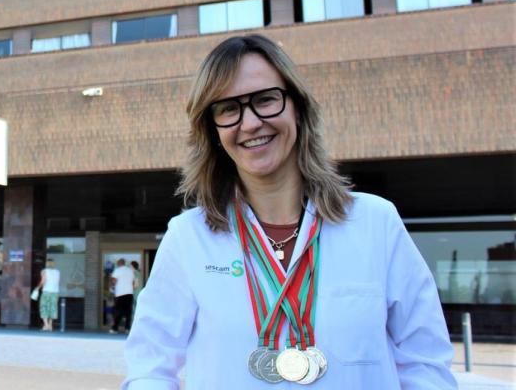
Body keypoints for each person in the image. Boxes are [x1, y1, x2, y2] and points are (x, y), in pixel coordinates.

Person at [123, 34, 455, 388]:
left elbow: (426, 362)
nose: (250, 123)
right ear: (213, 130)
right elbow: (149, 368)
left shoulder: (376, 223)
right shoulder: (188, 237)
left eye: (265, 99)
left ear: (297, 107)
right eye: (228, 109)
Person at [110, 258, 136, 334]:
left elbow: (114, 281)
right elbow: (133, 283)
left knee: (118, 312)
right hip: (129, 294)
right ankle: (127, 328)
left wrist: (112, 287)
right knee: (128, 312)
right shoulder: (130, 271)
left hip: (120, 294)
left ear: (119, 263)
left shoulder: (117, 270)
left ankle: (114, 328)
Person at [34, 258, 62, 331]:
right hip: (55, 292)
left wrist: (37, 288)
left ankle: (46, 325)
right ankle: (50, 325)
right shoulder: (57, 272)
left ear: (46, 264)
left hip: (46, 291)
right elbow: (58, 282)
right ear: (54, 264)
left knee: (44, 308)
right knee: (53, 308)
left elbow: (43, 281)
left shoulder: (44, 271)